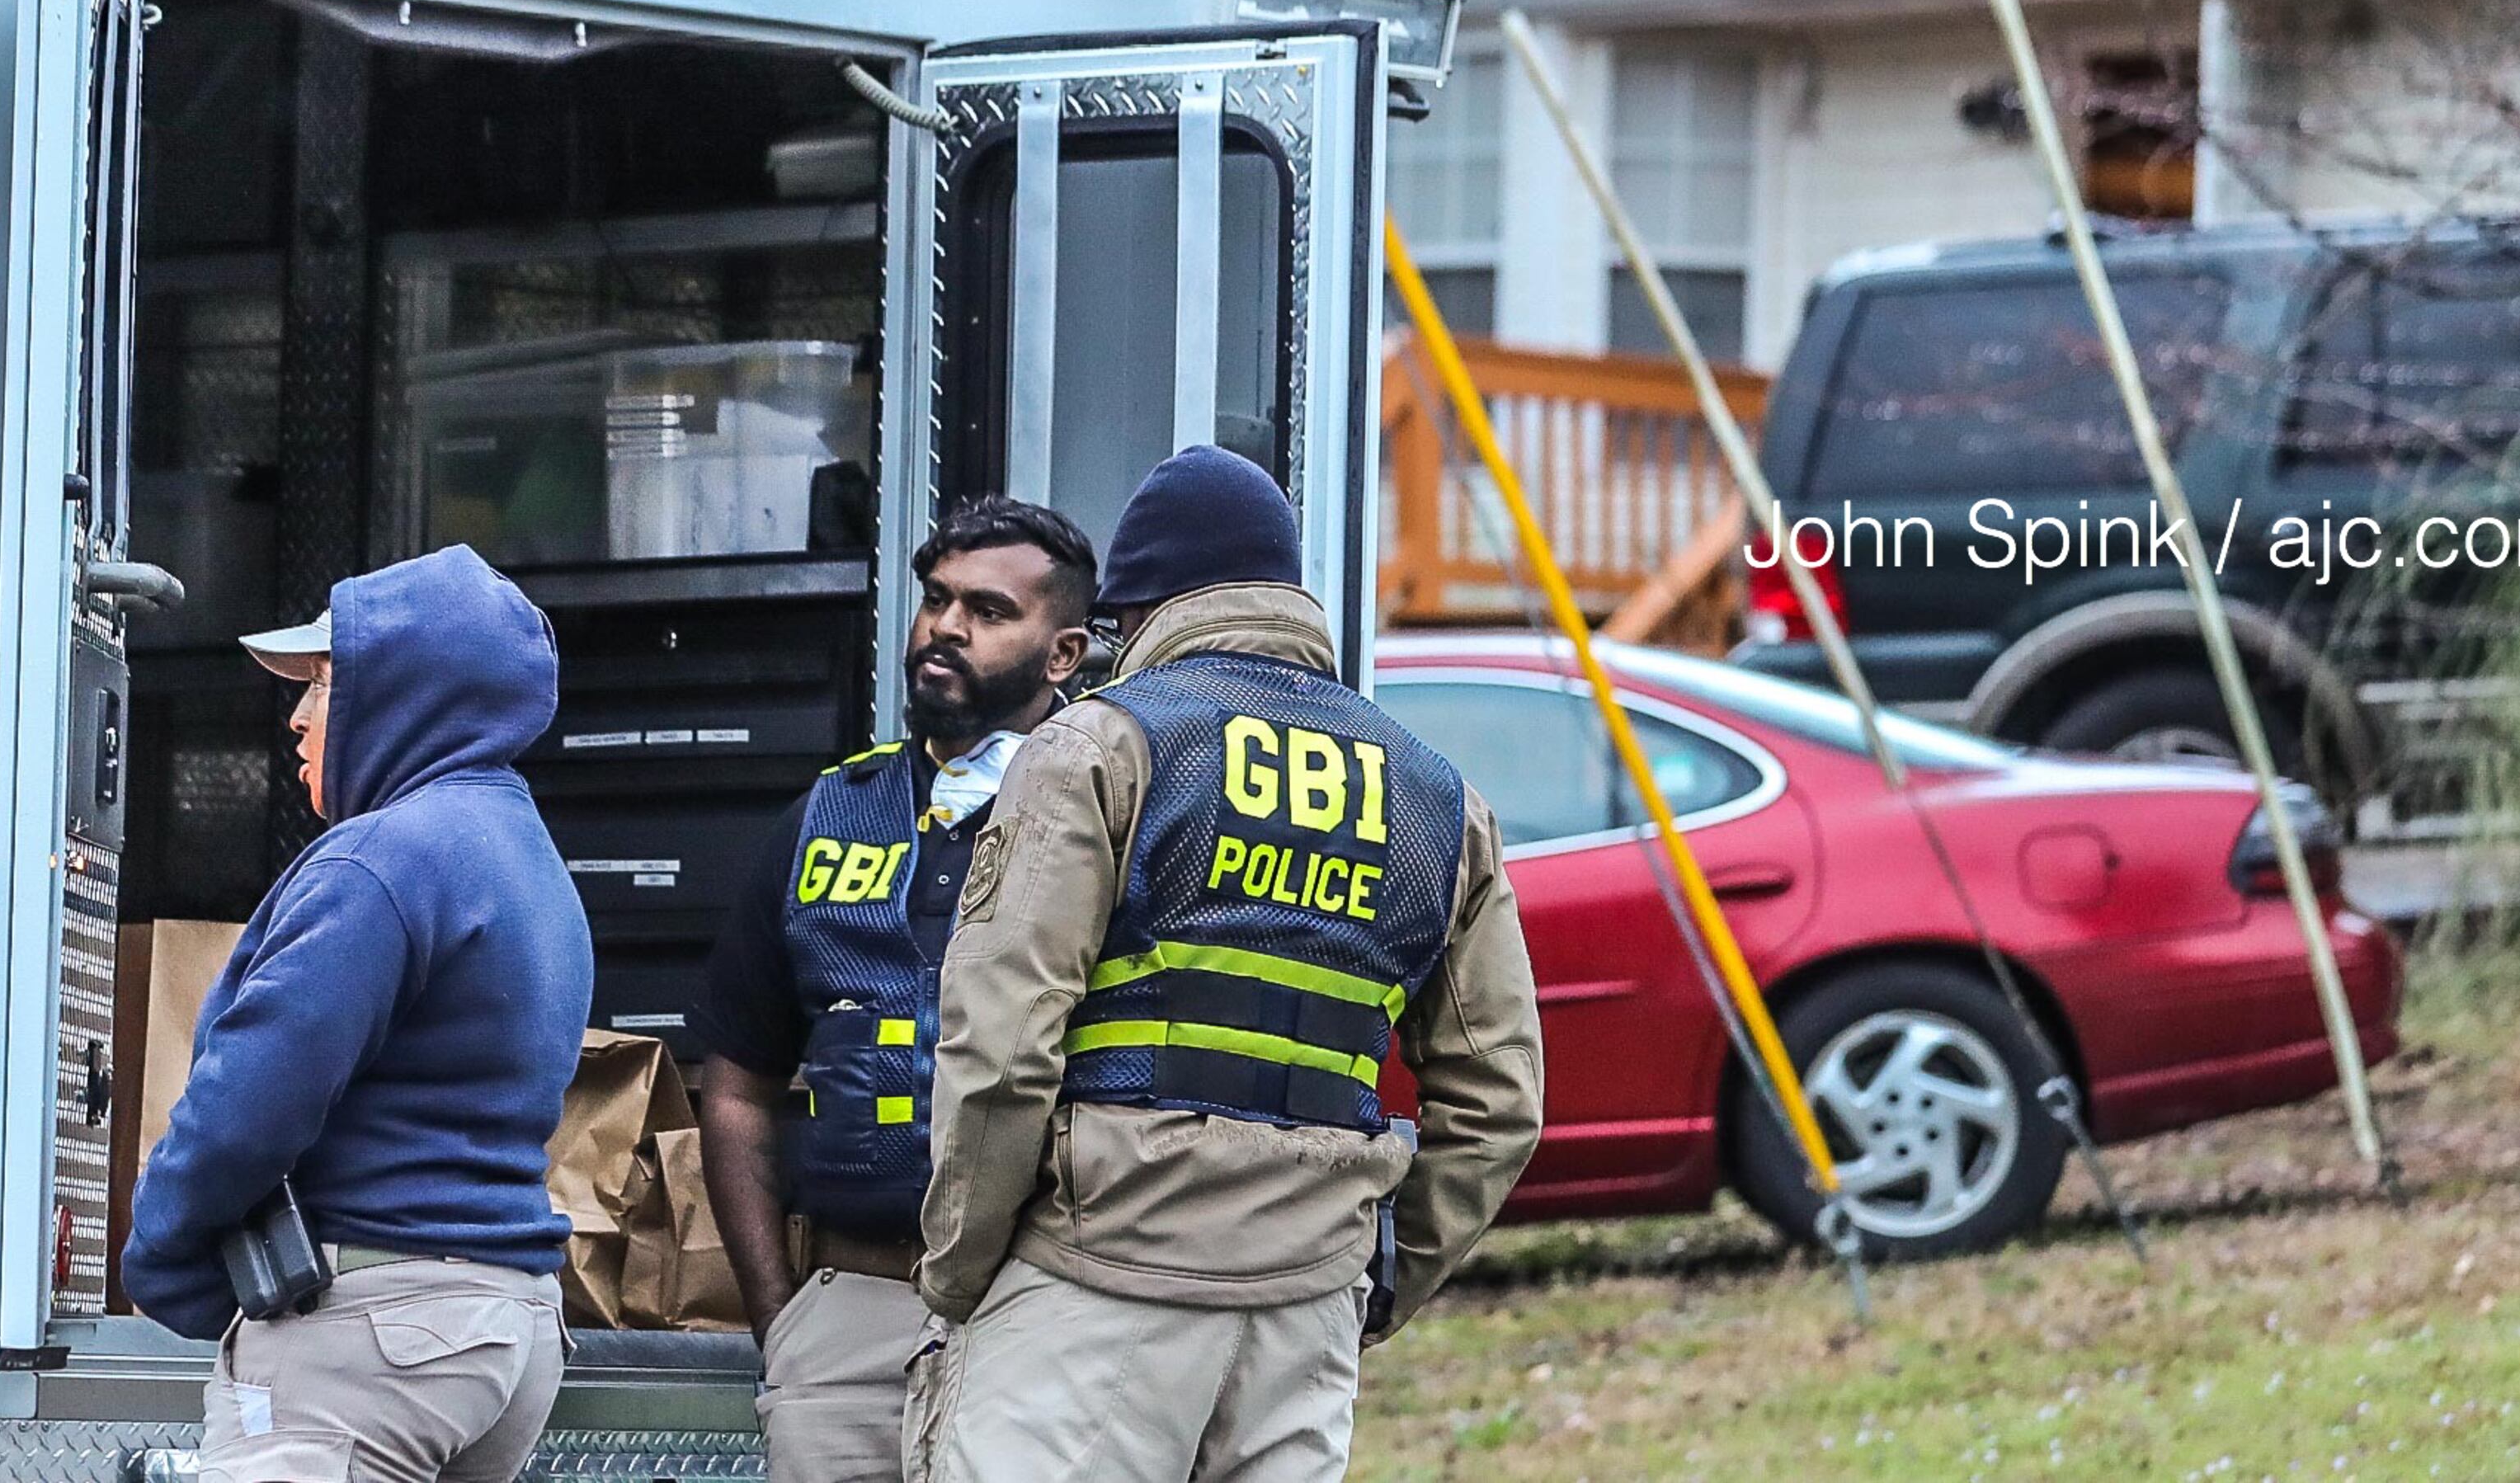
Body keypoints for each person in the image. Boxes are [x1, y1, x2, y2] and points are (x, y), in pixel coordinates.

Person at [910, 446, 1546, 1483]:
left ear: (1145, 607)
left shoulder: (1097, 752)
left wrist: (962, 1269)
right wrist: (1371, 1280)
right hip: (1302, 1317)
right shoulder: (1438, 798)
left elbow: (1001, 1053)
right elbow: (1501, 1103)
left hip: (1092, 1289)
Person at [122, 544, 594, 1483]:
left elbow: (247, 1104)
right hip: (509, 1327)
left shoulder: (379, 862)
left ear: (406, 696)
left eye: (326, 683)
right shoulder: (529, 862)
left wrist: (165, 1261)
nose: (297, 715)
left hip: (372, 1341)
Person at [690, 497, 1099, 1483]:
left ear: (1063, 652)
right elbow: (736, 1083)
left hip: (1040, 1311)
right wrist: (782, 1317)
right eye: (936, 601)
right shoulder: (829, 814)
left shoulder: (1102, 814)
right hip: (849, 1310)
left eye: (990, 611)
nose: (946, 629)